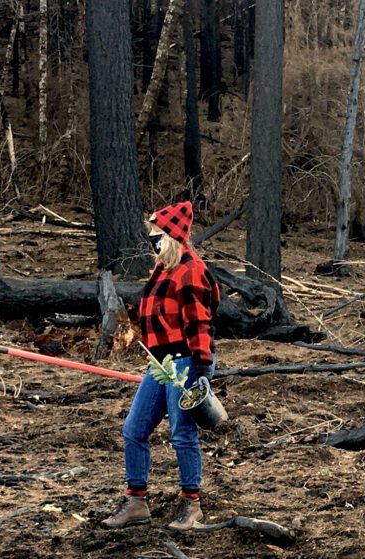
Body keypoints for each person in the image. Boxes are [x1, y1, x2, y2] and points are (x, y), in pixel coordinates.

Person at [103, 201, 221, 530]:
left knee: (182, 434)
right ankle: (136, 502)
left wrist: (199, 370)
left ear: (170, 235)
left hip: (185, 362)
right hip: (161, 363)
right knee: (134, 429)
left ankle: (191, 505)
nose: (151, 237)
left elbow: (200, 325)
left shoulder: (191, 270)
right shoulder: (163, 268)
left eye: (155, 232)